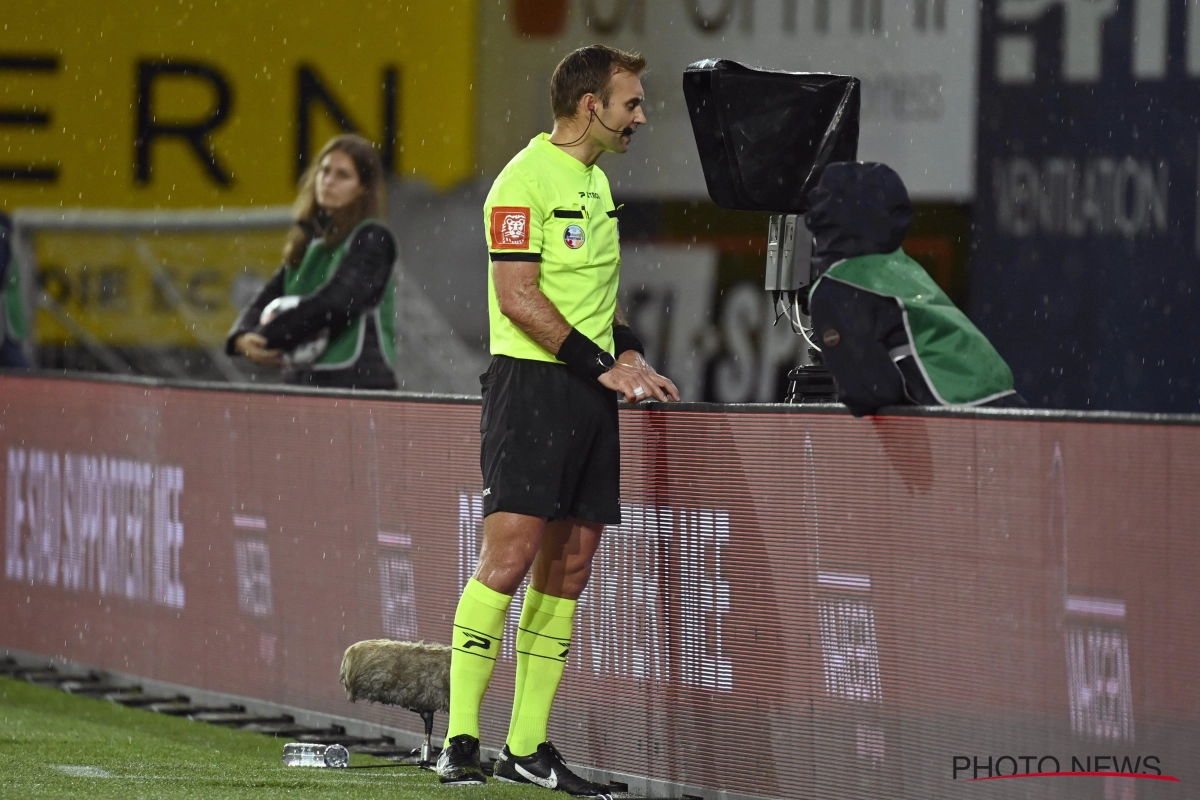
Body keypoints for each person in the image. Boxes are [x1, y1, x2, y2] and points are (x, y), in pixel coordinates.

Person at [436, 45, 679, 796]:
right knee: (507, 560)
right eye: (630, 103)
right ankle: (459, 742)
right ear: (589, 106)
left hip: (587, 389)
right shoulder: (521, 180)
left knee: (570, 568)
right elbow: (517, 296)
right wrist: (595, 362)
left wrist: (629, 353)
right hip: (533, 386)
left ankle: (527, 747)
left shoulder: (598, 185)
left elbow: (594, 301)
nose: (641, 116)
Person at [805, 161, 1026, 416]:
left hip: (959, 418)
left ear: (825, 216)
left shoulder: (835, 288)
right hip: (1011, 407)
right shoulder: (904, 268)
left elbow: (872, 391)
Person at [226, 134, 398, 390]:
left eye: (342, 175)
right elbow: (267, 296)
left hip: (359, 383)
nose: (328, 181)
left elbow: (337, 302)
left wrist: (265, 338)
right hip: (305, 382)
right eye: (324, 171)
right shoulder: (309, 243)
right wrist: (241, 336)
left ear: (363, 188)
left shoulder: (372, 237)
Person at [0, 210, 31, 369]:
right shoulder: (4, 232)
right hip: (7, 322)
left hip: (4, 323)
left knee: (18, 370)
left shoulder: (1, 235)